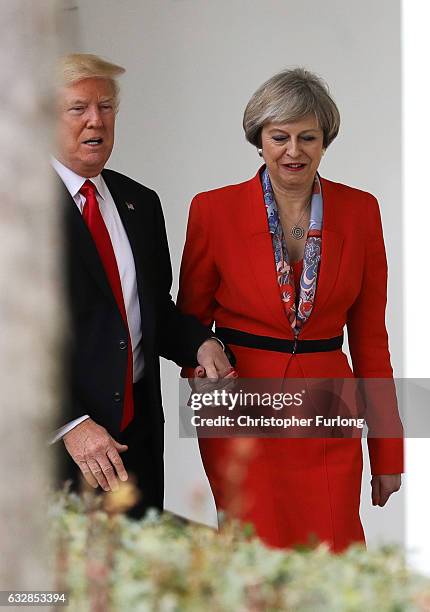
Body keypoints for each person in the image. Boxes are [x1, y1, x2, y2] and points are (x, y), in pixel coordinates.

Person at [178, 68, 403, 551]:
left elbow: (370, 340)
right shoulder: (212, 210)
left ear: (326, 141)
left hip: (328, 407)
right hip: (238, 407)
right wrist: (204, 374)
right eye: (279, 137)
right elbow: (188, 324)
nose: (293, 151)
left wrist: (388, 450)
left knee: (334, 551)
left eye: (308, 137)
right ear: (259, 139)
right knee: (252, 555)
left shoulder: (361, 211)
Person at [52, 53, 233, 517]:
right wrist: (69, 423)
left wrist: (200, 344)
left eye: (107, 107)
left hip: (138, 443)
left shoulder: (140, 202)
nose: (97, 120)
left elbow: (154, 310)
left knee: (138, 582)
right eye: (79, 108)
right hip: (60, 450)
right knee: (63, 588)